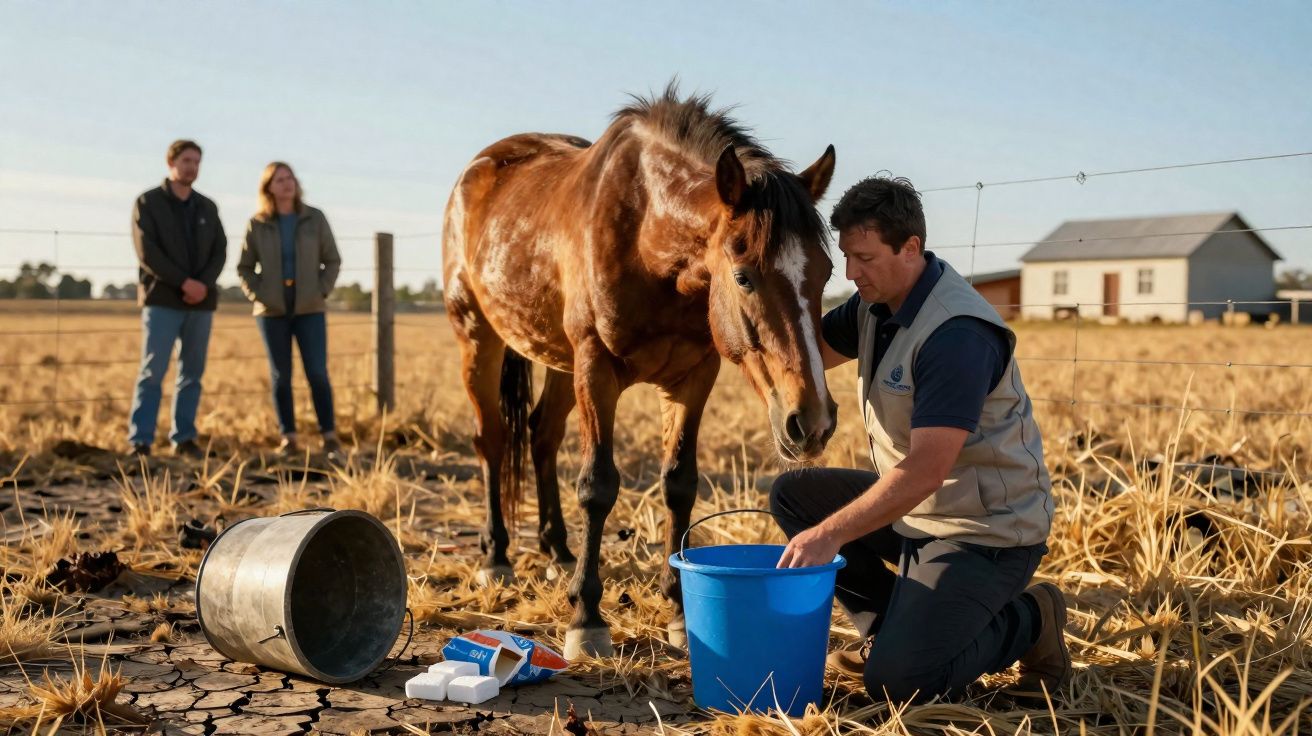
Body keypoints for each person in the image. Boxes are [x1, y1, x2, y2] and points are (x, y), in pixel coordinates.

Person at [770, 175, 1069, 703]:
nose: (850, 272)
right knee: (794, 496)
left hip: (985, 530)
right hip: (921, 513)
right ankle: (892, 632)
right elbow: (808, 350)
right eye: (845, 256)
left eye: (863, 257)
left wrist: (831, 535)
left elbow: (928, 468)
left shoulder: (957, 335)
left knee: (902, 683)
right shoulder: (875, 303)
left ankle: (1032, 617)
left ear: (911, 248)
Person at [127, 139, 227, 458]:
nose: (192, 167)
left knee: (192, 373)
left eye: (197, 162)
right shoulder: (148, 202)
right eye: (186, 161)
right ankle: (140, 441)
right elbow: (147, 252)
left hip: (201, 303)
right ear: (171, 162)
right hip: (162, 301)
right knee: (153, 371)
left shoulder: (207, 207)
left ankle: (183, 438)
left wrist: (202, 285)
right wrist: (183, 282)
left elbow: (219, 251)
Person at [236, 162, 342, 458]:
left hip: (310, 308)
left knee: (317, 373)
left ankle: (330, 436)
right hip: (272, 313)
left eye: (290, 178)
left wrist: (320, 290)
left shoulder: (314, 218)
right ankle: (289, 438)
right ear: (268, 187)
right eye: (280, 180)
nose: (287, 184)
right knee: (281, 375)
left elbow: (332, 260)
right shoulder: (258, 224)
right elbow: (244, 267)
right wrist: (261, 294)